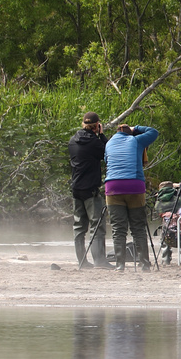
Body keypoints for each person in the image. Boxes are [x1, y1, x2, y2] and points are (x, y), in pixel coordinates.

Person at [104, 121, 160, 270]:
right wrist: (137, 128)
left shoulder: (108, 143)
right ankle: (144, 264)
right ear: (131, 132)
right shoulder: (136, 140)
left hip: (113, 186)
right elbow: (154, 132)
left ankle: (120, 264)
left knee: (118, 228)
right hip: (134, 185)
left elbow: (106, 161)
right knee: (138, 227)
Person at [67, 112, 109, 269]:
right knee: (97, 224)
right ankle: (99, 260)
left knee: (79, 227)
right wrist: (102, 135)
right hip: (90, 189)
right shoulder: (95, 143)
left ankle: (82, 261)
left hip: (76, 188)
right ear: (97, 126)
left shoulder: (72, 141)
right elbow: (108, 152)